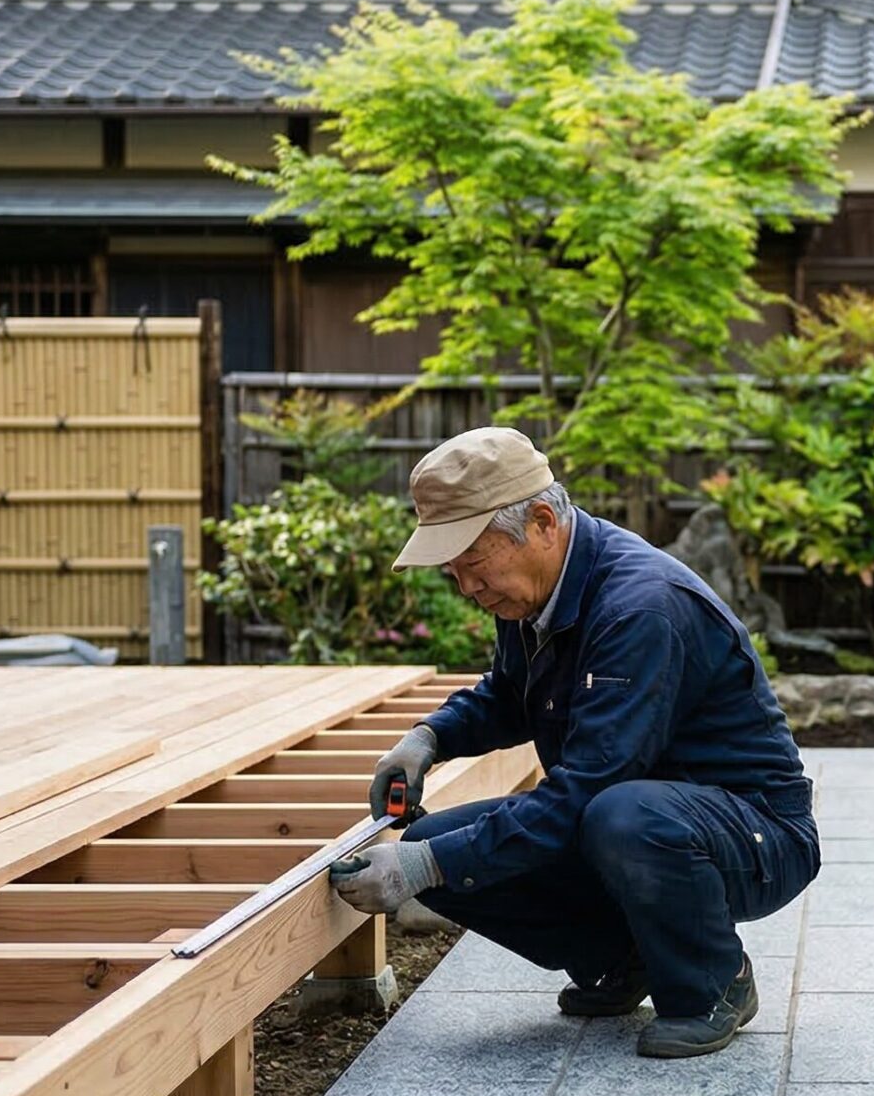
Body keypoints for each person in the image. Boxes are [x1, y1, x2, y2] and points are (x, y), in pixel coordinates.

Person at [326, 428, 819, 1058]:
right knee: (432, 845)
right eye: (455, 575)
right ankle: (629, 957)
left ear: (540, 521)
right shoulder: (534, 597)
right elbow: (510, 695)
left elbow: (590, 786)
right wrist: (428, 738)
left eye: (475, 567)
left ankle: (713, 983)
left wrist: (425, 869)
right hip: (633, 818)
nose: (468, 590)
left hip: (753, 831)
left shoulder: (640, 608)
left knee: (618, 815)